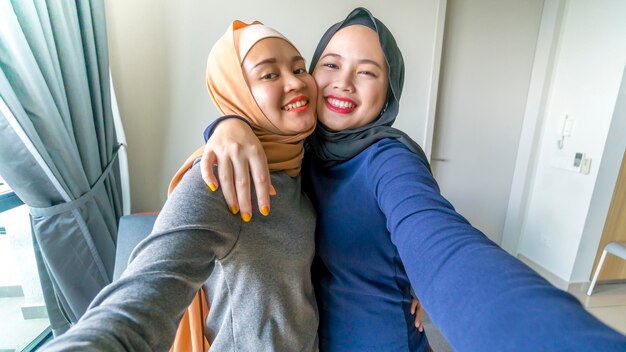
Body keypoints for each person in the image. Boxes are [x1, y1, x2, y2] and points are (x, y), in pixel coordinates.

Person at [200, 7, 626, 351]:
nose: (343, 82)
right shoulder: (300, 152)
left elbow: (443, 245)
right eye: (330, 64)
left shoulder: (388, 159)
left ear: (389, 92)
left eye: (367, 72)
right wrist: (225, 125)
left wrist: (429, 278)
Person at [42, 20, 320, 351]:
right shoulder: (219, 179)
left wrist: (226, 122)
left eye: (300, 68)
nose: (295, 83)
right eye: (269, 74)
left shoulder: (303, 164)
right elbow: (147, 289)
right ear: (236, 93)